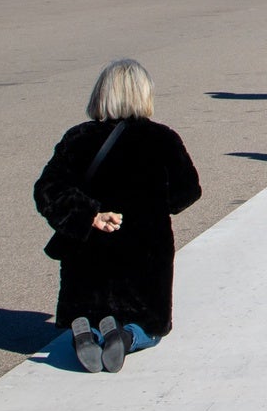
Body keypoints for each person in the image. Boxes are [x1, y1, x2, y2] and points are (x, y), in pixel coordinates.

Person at [33, 60, 201, 373]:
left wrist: (91, 215)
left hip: (88, 254)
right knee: (148, 325)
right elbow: (187, 193)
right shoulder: (163, 139)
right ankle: (126, 336)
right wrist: (150, 202)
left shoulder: (77, 139)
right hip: (144, 254)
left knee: (89, 306)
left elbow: (47, 190)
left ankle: (89, 331)